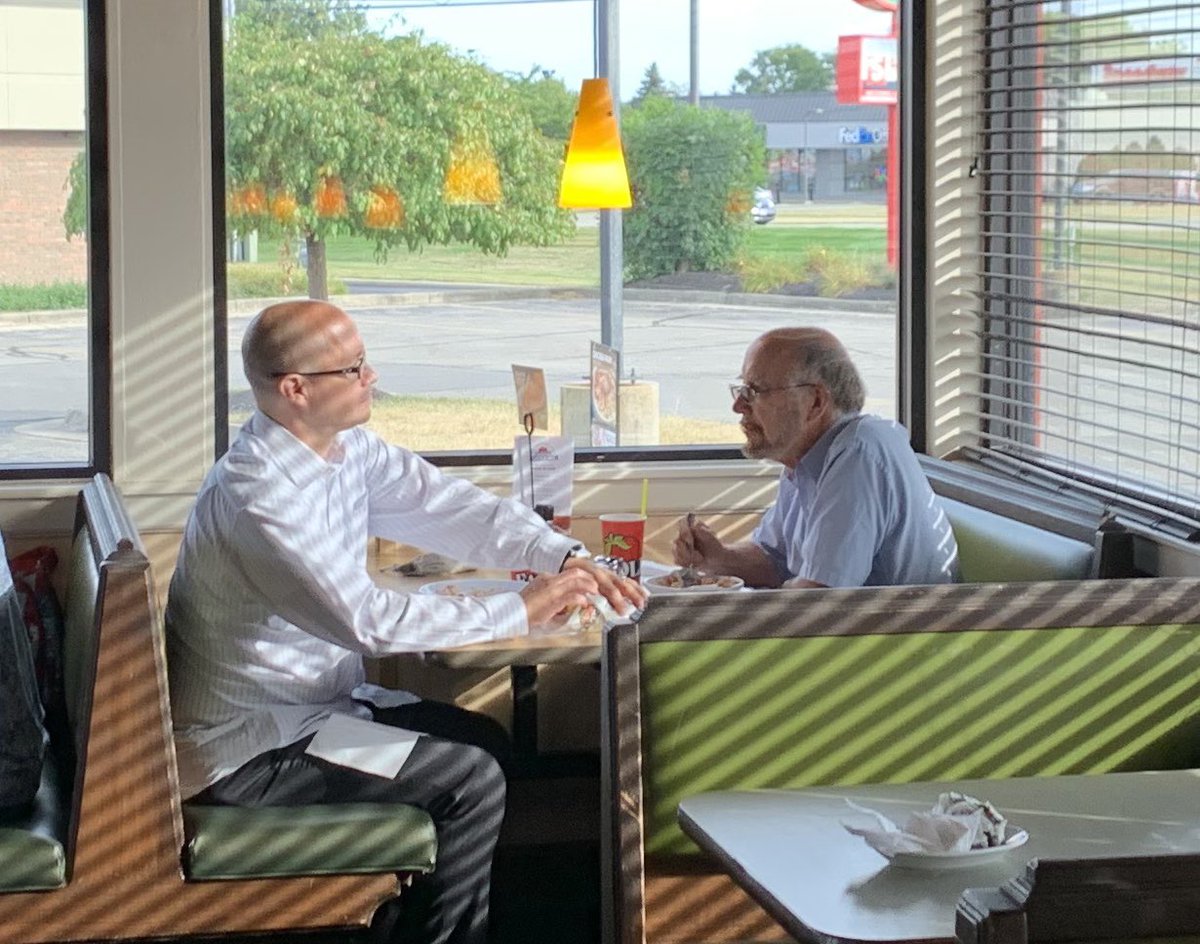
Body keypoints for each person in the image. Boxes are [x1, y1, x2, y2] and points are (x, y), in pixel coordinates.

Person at [165, 300, 645, 944]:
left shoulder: (346, 452)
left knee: (485, 739)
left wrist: (560, 555)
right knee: (469, 778)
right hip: (251, 751)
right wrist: (520, 608)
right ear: (296, 389)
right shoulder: (258, 495)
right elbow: (366, 622)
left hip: (314, 711)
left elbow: (448, 507)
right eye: (353, 368)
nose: (372, 377)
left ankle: (408, 923)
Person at [674, 327, 959, 589]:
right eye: (742, 390)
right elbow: (773, 562)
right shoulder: (803, 462)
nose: (738, 406)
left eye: (755, 391)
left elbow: (818, 598)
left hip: (894, 629)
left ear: (816, 402)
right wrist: (717, 558)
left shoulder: (859, 454)